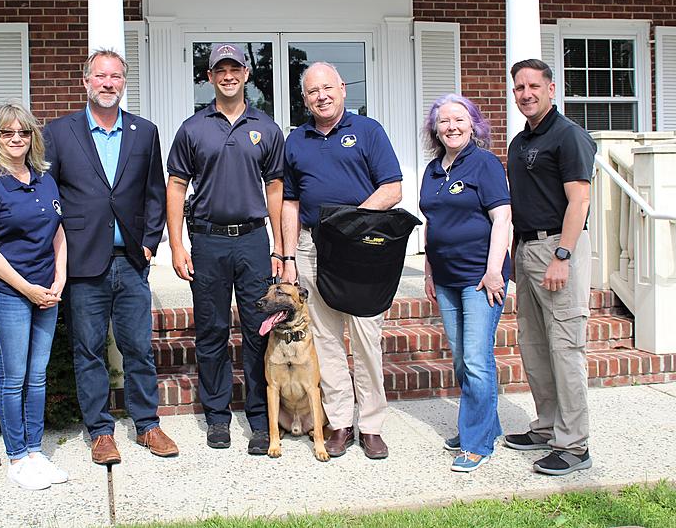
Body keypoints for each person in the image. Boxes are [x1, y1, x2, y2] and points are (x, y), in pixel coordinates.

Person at [43, 49, 177, 466]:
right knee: (89, 351)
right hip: (83, 263)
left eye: (115, 77)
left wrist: (151, 242)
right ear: (86, 81)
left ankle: (147, 425)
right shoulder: (59, 132)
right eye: (100, 76)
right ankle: (100, 431)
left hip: (131, 260)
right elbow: (49, 195)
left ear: (123, 83)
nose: (107, 83)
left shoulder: (144, 132)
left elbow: (155, 192)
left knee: (139, 347)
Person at [166, 43, 285, 455]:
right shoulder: (193, 128)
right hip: (208, 240)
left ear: (247, 74)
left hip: (254, 240)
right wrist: (177, 244)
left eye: (235, 68)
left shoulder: (266, 128)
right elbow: (177, 186)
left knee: (258, 330)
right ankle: (217, 416)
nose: (228, 75)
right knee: (212, 330)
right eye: (221, 69)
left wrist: (280, 248)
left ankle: (258, 417)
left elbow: (275, 188)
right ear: (210, 77)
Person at [280, 62, 402, 460]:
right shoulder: (296, 140)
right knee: (327, 340)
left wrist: (350, 222)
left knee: (367, 340)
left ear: (343, 89)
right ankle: (340, 423)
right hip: (313, 249)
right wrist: (287, 256)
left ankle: (371, 425)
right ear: (305, 99)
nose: (322, 96)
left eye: (328, 88)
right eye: (313, 91)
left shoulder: (368, 131)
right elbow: (290, 201)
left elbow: (393, 188)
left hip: (363, 250)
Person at [0, 102, 67, 490]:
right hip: (8, 295)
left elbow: (58, 231)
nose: (16, 139)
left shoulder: (44, 178)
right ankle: (18, 457)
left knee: (37, 377)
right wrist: (27, 289)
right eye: (7, 132)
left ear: (32, 137)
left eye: (23, 133)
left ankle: (35, 451)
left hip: (46, 291)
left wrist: (60, 278)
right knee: (14, 378)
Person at [505, 58, 596, 476]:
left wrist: (563, 254)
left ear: (551, 89)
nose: (526, 94)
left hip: (558, 248)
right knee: (535, 347)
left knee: (564, 349)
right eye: (519, 87)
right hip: (527, 251)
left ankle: (574, 445)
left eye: (533, 86)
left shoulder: (568, 136)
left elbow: (579, 200)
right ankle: (546, 427)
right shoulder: (520, 141)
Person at [418, 94, 511, 473]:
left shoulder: (485, 164)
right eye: (444, 121)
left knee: (476, 358)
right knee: (461, 358)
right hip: (445, 276)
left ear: (473, 125)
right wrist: (428, 269)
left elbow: (502, 218)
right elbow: (431, 220)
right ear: (435, 129)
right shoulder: (432, 169)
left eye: (459, 120)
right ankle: (484, 422)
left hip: (479, 278)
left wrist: (493, 271)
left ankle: (477, 443)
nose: (451, 127)